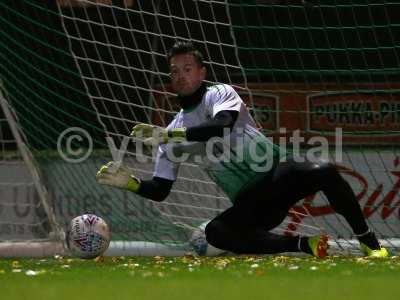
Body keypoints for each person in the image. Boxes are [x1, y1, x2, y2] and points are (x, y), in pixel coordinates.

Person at [96, 41, 388, 258]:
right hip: (254, 202)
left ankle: (368, 241)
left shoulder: (218, 93)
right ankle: (302, 245)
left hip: (277, 173)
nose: (181, 76)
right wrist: (132, 183)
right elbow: (160, 189)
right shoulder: (169, 134)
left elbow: (222, 125)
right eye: (174, 71)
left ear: (201, 73)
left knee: (324, 169)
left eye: (187, 69)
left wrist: (170, 135)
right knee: (215, 233)